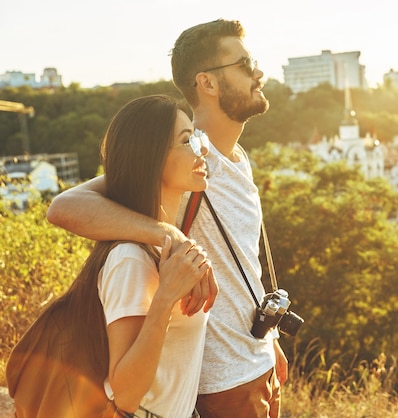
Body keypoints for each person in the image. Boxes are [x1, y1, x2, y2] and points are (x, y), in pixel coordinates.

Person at [47, 19, 288, 418]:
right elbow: (64, 207)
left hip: (257, 366)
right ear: (207, 83)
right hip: (219, 386)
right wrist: (166, 233)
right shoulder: (185, 159)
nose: (259, 73)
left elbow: (241, 266)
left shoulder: (234, 160)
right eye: (245, 64)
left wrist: (269, 342)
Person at [10, 94, 218, 417]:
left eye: (198, 137)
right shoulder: (131, 259)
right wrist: (165, 299)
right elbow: (126, 395)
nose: (201, 149)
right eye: (187, 140)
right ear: (151, 158)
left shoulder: (159, 244)